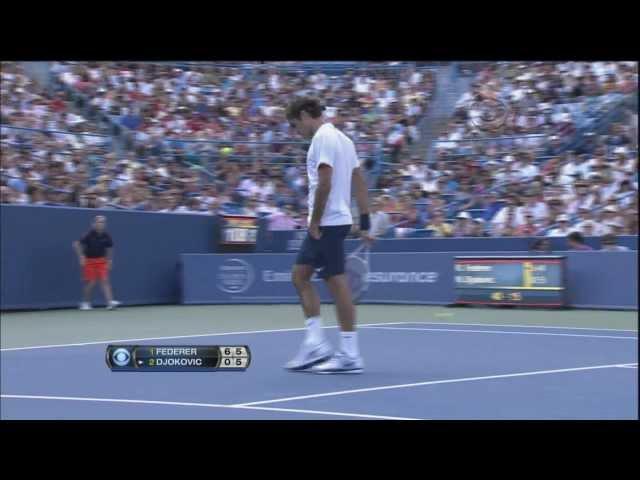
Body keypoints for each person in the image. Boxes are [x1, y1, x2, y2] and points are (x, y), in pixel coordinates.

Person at [284, 97, 373, 374]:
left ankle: (349, 354)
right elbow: (358, 180)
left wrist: (315, 221)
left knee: (337, 284)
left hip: (327, 223)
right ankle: (315, 343)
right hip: (336, 221)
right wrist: (366, 220)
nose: (295, 130)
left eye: (294, 124)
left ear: (304, 114)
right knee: (300, 276)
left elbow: (325, 182)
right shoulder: (344, 140)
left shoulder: (322, 137)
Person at [72, 215, 120, 310]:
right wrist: (81, 256)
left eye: (103, 222)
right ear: (93, 224)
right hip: (89, 261)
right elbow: (76, 244)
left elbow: (110, 248)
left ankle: (110, 302)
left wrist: (109, 260)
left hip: (102, 261)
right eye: (99, 222)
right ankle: (85, 303)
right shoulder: (88, 234)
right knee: (91, 282)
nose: (101, 224)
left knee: (104, 281)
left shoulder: (106, 235)